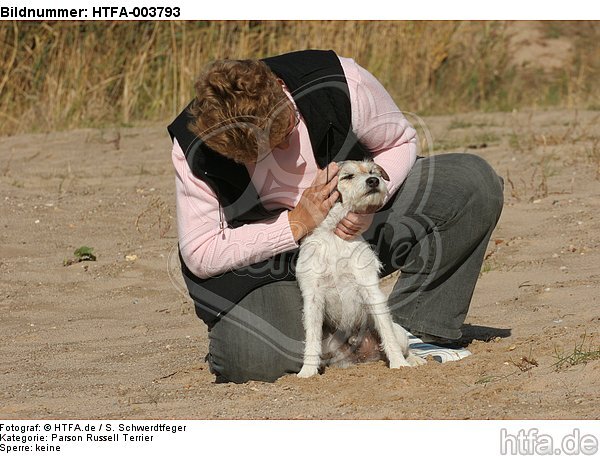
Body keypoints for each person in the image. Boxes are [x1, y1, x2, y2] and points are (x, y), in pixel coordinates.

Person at [167, 49, 504, 383]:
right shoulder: (196, 148)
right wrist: (295, 224)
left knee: (472, 183)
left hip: (357, 230)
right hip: (267, 266)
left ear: (280, 88)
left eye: (287, 128)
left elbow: (400, 141)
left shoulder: (340, 80)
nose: (289, 152)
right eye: (264, 151)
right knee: (253, 358)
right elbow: (200, 252)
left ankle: (414, 327)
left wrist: (370, 205)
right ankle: (326, 339)